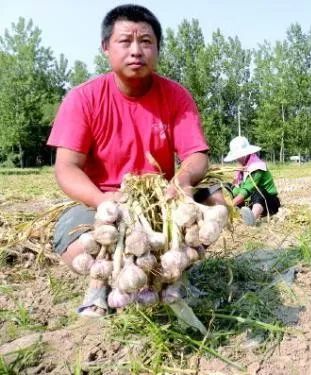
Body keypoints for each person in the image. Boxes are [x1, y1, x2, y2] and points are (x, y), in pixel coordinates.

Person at [47, 4, 222, 317]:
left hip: (161, 199)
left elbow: (196, 156)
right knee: (78, 247)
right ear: (106, 48)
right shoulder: (83, 98)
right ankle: (106, 281)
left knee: (216, 201)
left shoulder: (176, 96)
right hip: (102, 202)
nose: (136, 50)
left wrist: (181, 182)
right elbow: (66, 167)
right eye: (125, 41)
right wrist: (103, 201)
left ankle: (166, 275)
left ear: (157, 48)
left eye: (146, 42)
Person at [224, 136, 280, 226]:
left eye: (238, 156)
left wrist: (230, 204)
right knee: (227, 186)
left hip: (268, 202)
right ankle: (241, 212)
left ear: (246, 153)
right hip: (249, 202)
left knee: (258, 191)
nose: (237, 159)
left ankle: (252, 218)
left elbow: (247, 190)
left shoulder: (257, 167)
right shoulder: (242, 167)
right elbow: (237, 189)